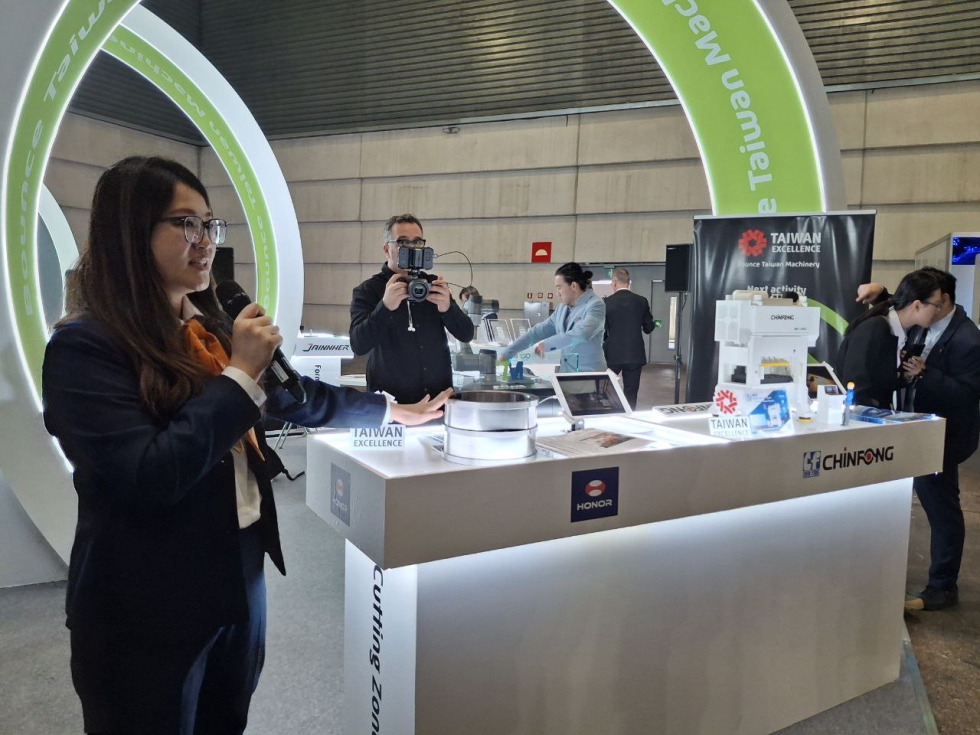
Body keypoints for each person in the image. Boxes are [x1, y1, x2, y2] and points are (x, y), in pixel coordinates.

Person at [41, 157, 450, 735]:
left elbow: (296, 397)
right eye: (185, 224)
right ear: (129, 232)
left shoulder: (209, 327)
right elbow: (150, 475)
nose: (205, 241)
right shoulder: (85, 347)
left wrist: (390, 411)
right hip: (145, 596)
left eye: (209, 224)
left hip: (236, 571)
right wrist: (238, 374)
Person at [858, 267, 980, 610]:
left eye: (931, 302)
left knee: (941, 508)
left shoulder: (968, 340)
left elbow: (968, 394)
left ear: (944, 300)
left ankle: (943, 586)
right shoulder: (926, 317)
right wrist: (882, 292)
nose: (920, 307)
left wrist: (927, 375)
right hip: (909, 428)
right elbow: (910, 305)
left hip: (940, 437)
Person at [350, 214, 474, 404]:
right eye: (402, 242)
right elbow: (359, 345)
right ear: (387, 249)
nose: (411, 248)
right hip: (392, 405)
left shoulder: (434, 286)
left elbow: (466, 334)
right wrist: (385, 307)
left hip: (437, 401)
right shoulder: (369, 290)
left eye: (417, 241)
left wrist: (448, 309)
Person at [835, 269, 941, 409]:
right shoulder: (876, 328)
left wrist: (905, 376)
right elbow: (856, 385)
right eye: (937, 305)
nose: (938, 311)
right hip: (861, 417)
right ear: (917, 305)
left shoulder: (896, 332)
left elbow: (880, 384)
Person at [498, 262, 606, 372]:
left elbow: (581, 333)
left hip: (589, 374)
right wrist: (507, 353)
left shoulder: (595, 305)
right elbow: (537, 332)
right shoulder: (562, 308)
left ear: (573, 286)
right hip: (566, 372)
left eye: (559, 288)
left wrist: (548, 344)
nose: (557, 293)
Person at [602, 268, 656, 409]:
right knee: (631, 394)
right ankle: (629, 416)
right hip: (634, 354)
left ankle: (607, 414)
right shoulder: (641, 301)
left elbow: (602, 331)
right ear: (628, 282)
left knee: (605, 389)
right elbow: (648, 328)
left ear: (614, 282)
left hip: (612, 354)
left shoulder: (606, 303)